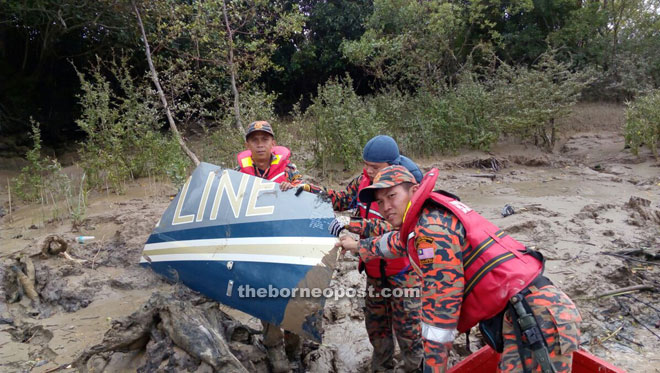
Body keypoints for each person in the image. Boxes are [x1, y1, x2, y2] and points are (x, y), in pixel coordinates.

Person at [336, 165, 582, 373]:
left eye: (392, 196)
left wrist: (432, 367)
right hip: (526, 312)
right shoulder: (427, 217)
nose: (385, 206)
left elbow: (441, 313)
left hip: (534, 319)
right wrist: (358, 246)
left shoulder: (432, 232)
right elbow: (396, 242)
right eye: (380, 201)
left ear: (413, 190)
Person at [304, 135, 425, 372]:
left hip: (404, 274)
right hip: (374, 272)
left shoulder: (405, 191)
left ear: (393, 165)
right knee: (377, 329)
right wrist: (311, 191)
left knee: (409, 333)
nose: (368, 171)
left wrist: (350, 224)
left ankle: (416, 368)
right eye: (366, 164)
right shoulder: (364, 181)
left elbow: (395, 230)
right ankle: (381, 368)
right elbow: (341, 199)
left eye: (375, 167)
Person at [236, 120, 302, 372]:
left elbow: (308, 196)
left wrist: (293, 189)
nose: (260, 143)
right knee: (265, 298)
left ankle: (295, 350)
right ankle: (274, 351)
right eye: (255, 139)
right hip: (257, 249)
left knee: (294, 298)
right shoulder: (237, 173)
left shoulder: (290, 170)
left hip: (287, 247)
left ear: (273, 143)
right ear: (248, 144)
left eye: (265, 139)